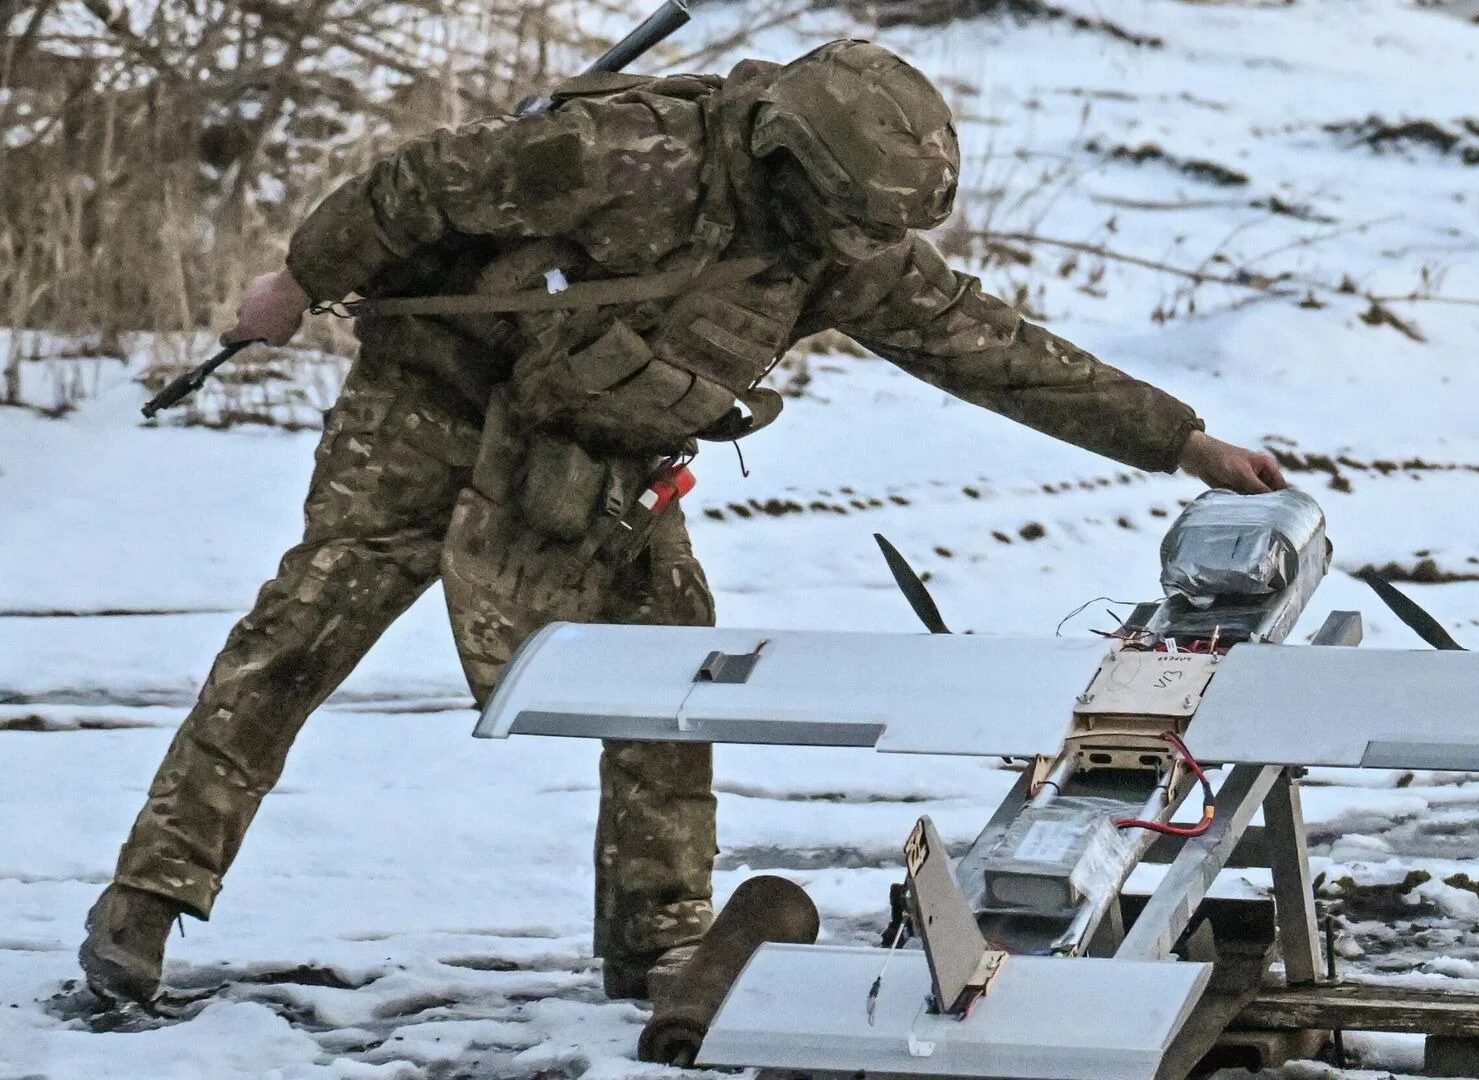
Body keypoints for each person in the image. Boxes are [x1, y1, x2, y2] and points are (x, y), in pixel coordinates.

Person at [80, 38, 1286, 1006]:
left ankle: (660, 936)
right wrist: (294, 282)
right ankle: (146, 899)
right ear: (784, 164)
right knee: (304, 631)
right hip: (434, 397)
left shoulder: (842, 253)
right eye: (850, 222)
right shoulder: (612, 154)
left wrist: (1180, 438)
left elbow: (996, 352)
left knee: (672, 657)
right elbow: (415, 189)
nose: (865, 255)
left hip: (596, 449)